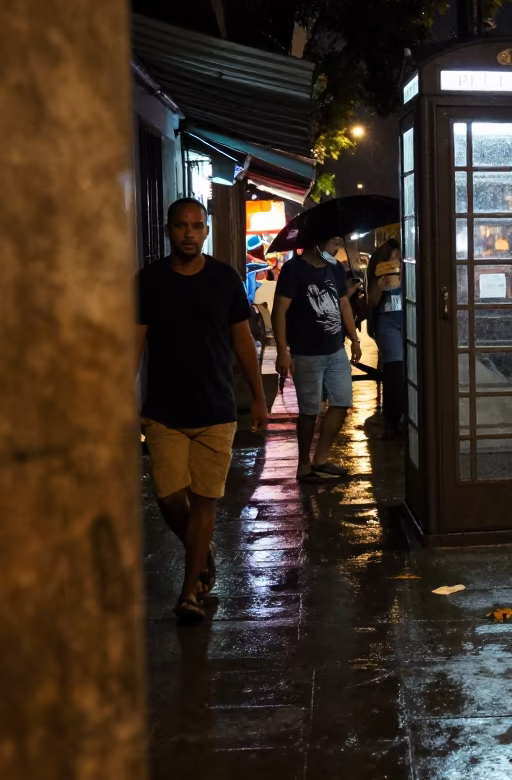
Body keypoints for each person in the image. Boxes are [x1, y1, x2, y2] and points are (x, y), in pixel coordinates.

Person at [137, 198, 268, 624]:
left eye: (196, 226)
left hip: (215, 409)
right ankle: (202, 550)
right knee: (170, 498)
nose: (189, 233)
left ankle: (189, 592)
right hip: (164, 410)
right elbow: (135, 343)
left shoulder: (225, 279)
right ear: (168, 230)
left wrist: (260, 398)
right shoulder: (149, 281)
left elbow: (243, 342)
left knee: (204, 501)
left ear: (206, 231)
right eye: (181, 226)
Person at [272, 236, 361, 481]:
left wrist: (354, 338)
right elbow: (279, 311)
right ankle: (304, 466)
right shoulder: (294, 269)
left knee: (341, 403)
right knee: (309, 412)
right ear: (317, 241)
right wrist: (282, 350)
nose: (336, 248)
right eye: (332, 243)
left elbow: (343, 304)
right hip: (306, 353)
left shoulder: (333, 266)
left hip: (335, 350)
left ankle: (321, 458)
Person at [366, 238, 406, 436]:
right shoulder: (378, 272)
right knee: (395, 370)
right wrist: (381, 284)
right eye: (395, 255)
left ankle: (408, 414)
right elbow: (371, 302)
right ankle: (393, 419)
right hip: (388, 323)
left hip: (409, 320)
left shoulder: (409, 266)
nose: (398, 257)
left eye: (399, 254)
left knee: (411, 370)